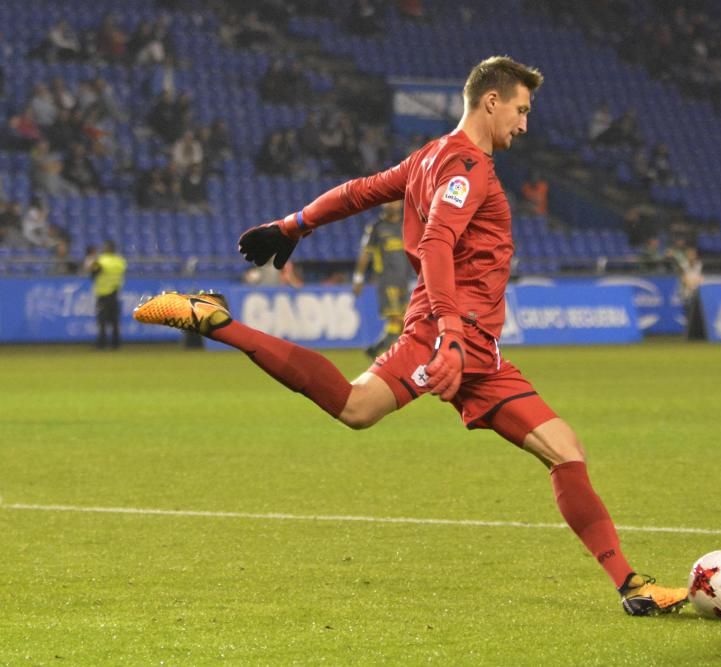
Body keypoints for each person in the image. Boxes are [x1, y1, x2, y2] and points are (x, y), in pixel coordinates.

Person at [134, 56, 687, 616]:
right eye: (521, 110)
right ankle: (216, 320)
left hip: (480, 352)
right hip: (447, 332)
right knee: (355, 408)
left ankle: (632, 587)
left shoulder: (428, 157)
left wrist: (292, 224)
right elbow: (439, 243)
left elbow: (359, 192)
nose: (524, 124)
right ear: (490, 101)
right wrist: (447, 333)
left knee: (565, 451)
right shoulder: (467, 166)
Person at [352, 200, 411, 359]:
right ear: (383, 204)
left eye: (396, 202)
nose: (393, 205)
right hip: (387, 281)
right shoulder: (376, 227)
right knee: (396, 320)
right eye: (389, 202)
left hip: (407, 280)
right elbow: (366, 253)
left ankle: (375, 350)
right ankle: (391, 359)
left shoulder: (407, 224)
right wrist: (358, 278)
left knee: (405, 322)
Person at [91, 240, 127, 350]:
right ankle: (116, 344)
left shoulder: (101, 261)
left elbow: (93, 273)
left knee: (102, 321)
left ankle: (101, 344)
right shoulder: (120, 261)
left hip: (103, 294)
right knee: (114, 321)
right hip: (115, 293)